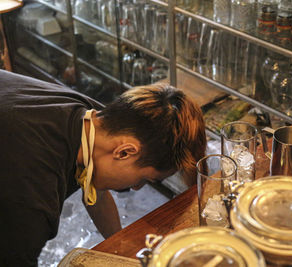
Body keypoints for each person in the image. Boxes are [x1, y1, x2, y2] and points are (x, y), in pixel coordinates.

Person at [0, 70, 206, 266]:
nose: (135, 188)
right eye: (144, 179)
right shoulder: (31, 194)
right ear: (124, 152)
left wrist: (123, 251)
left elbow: (94, 189)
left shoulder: (94, 121)